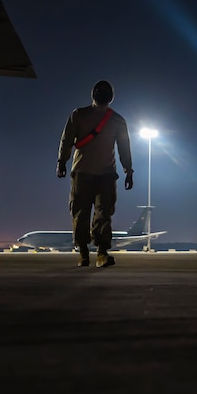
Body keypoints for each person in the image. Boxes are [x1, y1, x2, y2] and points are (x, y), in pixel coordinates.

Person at [57, 80, 134, 268]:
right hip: (99, 174)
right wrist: (128, 171)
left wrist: (62, 162)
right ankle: (95, 252)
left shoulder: (80, 115)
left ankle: (89, 253)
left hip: (89, 173)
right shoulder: (116, 120)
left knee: (86, 214)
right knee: (99, 214)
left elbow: (66, 141)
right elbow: (125, 149)